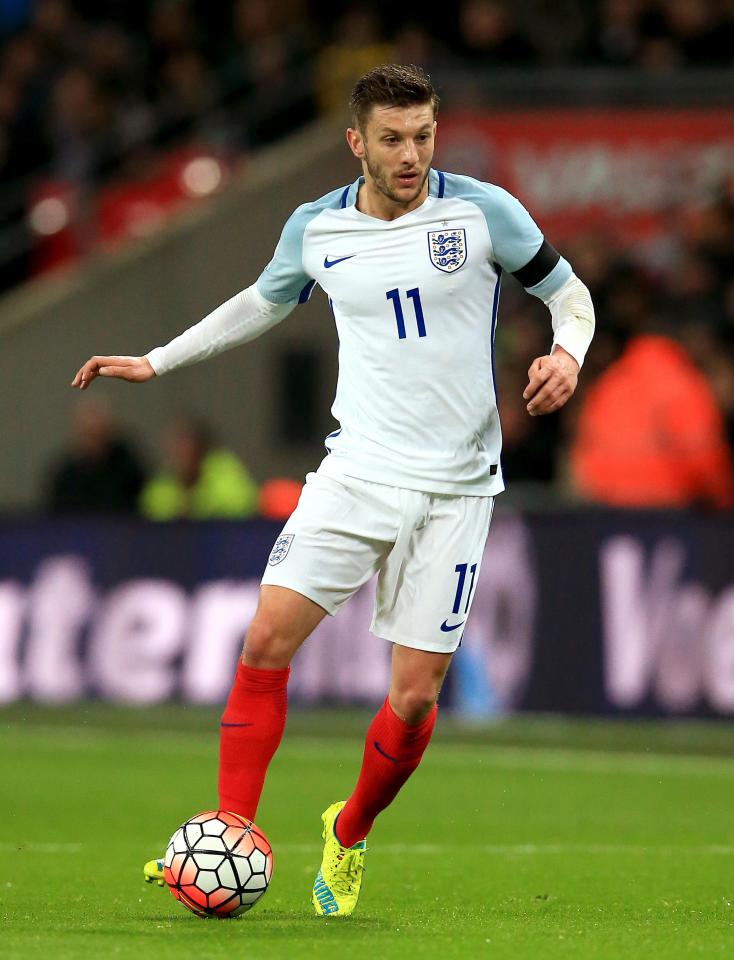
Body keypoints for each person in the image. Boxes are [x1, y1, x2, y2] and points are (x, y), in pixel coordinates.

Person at [71, 63, 594, 917]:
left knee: (415, 697)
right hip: (356, 471)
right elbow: (260, 303)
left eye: (423, 135)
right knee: (266, 639)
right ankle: (228, 833)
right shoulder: (315, 228)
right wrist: (156, 360)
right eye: (392, 138)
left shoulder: (483, 210)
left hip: (458, 488)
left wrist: (567, 353)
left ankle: (347, 833)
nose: (412, 154)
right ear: (356, 142)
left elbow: (570, 295)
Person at [139, 414, 259, 520]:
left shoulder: (224, 471)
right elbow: (151, 510)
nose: (179, 451)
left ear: (200, 447)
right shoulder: (163, 482)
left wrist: (194, 507)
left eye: (185, 443)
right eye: (175, 445)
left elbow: (242, 505)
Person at [46, 397, 147, 514]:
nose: (92, 441)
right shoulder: (66, 478)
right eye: (87, 433)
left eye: (96, 433)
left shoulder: (129, 471)